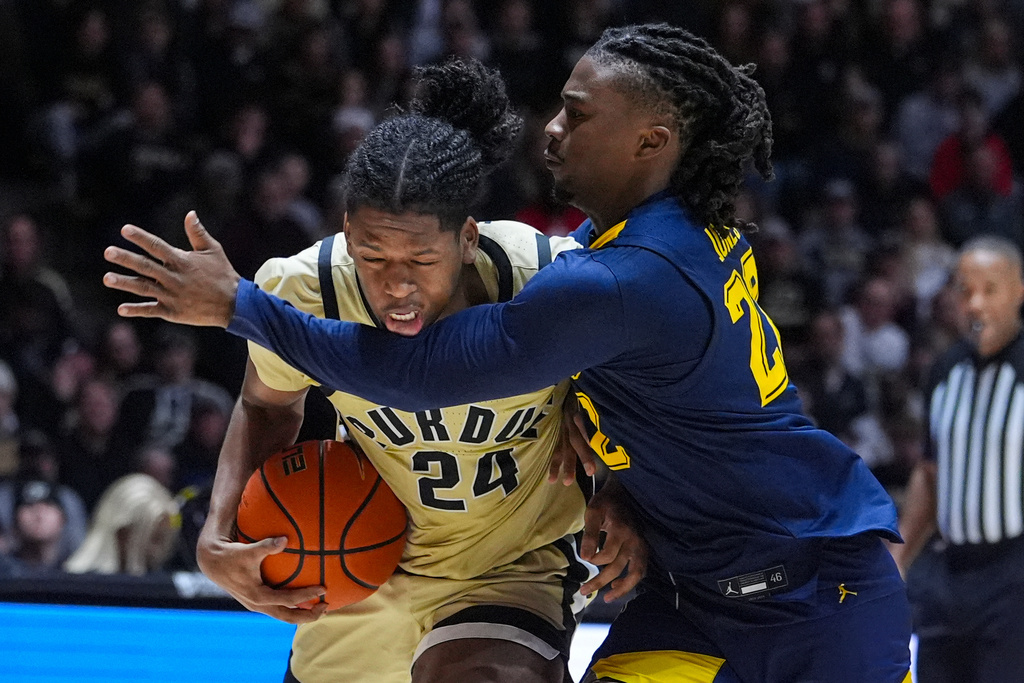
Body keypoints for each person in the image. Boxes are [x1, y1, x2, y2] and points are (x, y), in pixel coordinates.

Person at [103, 24, 912, 682]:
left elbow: (420, 373)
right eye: (372, 256)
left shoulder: (589, 278)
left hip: (809, 580)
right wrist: (611, 471)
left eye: (578, 113)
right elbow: (268, 403)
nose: (552, 129)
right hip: (685, 589)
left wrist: (239, 305)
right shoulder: (623, 242)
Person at [108, 59, 645, 683]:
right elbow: (267, 406)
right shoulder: (305, 286)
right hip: (363, 561)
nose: (396, 284)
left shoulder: (545, 276)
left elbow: (646, 388)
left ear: (467, 237)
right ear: (346, 233)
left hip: (511, 565)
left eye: (421, 258)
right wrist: (217, 533)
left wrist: (622, 484)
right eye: (373, 255)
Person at [891, 236, 1024, 682]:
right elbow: (930, 475)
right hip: (947, 573)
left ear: (1019, 291)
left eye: (990, 289)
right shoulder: (945, 370)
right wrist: (899, 556)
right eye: (965, 290)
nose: (976, 304)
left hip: (1013, 575)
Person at [64, 473, 179, 576]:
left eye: (165, 540)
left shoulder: (161, 585)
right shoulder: (76, 586)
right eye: (155, 539)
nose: (159, 551)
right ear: (123, 534)